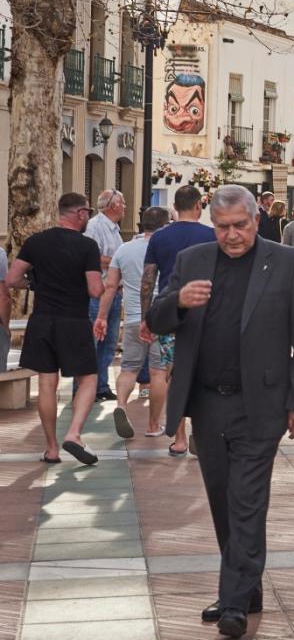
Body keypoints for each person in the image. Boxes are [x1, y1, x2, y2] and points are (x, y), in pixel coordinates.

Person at [147, 185, 294, 639]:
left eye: (240, 225)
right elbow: (156, 317)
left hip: (260, 404)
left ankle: (234, 603)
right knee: (223, 499)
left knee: (246, 499)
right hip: (206, 403)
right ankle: (247, 586)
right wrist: (180, 302)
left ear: (256, 221)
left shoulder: (288, 263)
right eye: (223, 227)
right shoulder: (194, 260)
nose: (232, 235)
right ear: (212, 225)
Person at [6, 193, 107, 464]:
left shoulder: (35, 242)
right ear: (81, 214)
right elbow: (95, 290)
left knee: (47, 383)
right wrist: (109, 284)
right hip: (73, 321)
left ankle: (51, 449)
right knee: (88, 379)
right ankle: (73, 434)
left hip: (41, 321)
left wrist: (35, 285)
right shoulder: (87, 246)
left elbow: (12, 279)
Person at [143, 184, 216, 456]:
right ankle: (200, 433)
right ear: (198, 206)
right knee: (205, 372)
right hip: (206, 313)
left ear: (175, 206)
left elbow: (148, 279)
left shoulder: (159, 238)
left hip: (170, 312)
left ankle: (180, 438)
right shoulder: (211, 235)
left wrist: (146, 317)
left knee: (173, 373)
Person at [97, 207, 170, 443]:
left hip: (132, 319)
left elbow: (110, 286)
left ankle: (121, 405)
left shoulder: (124, 249)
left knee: (129, 368)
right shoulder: (167, 247)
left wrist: (101, 317)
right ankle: (153, 424)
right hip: (162, 318)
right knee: (159, 372)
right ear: (165, 225)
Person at [83, 188, 126, 401]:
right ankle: (84, 389)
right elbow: (91, 256)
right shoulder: (95, 226)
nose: (125, 206)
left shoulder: (114, 229)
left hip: (115, 292)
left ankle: (101, 386)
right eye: (123, 202)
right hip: (98, 293)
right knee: (92, 341)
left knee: (109, 342)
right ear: (113, 205)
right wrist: (118, 262)